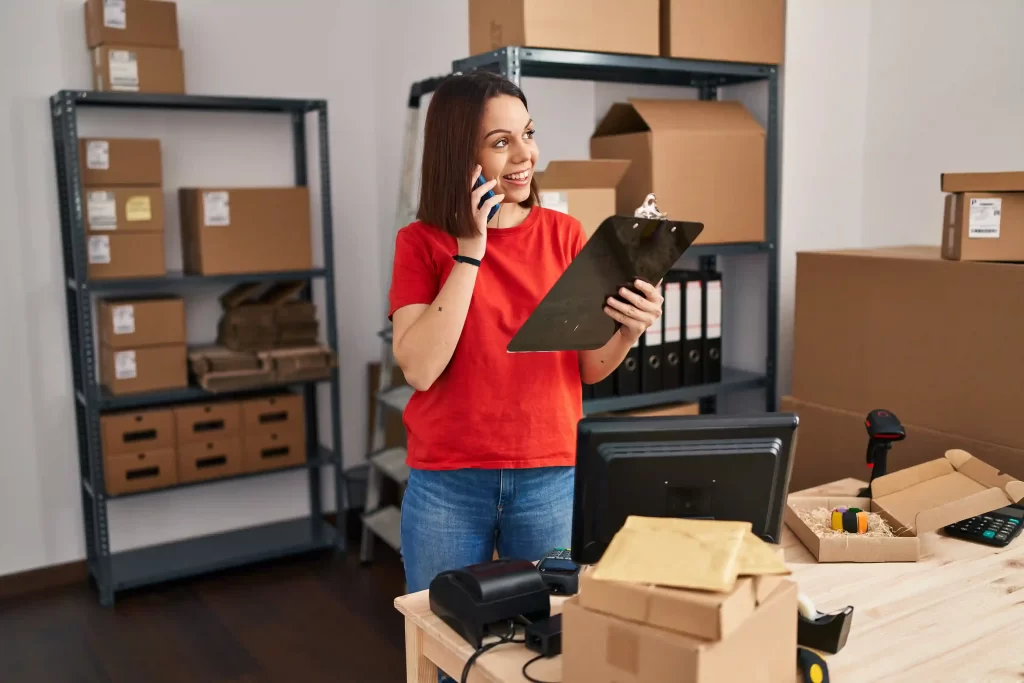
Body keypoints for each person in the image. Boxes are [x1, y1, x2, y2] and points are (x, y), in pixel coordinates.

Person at [388, 71, 663, 598]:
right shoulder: (420, 243)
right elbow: (419, 369)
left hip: (550, 476)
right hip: (449, 480)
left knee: (543, 641)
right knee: (448, 644)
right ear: (458, 156)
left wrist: (627, 331)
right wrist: (471, 249)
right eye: (500, 142)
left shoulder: (566, 236)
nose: (525, 155)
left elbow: (587, 368)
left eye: (528, 134)